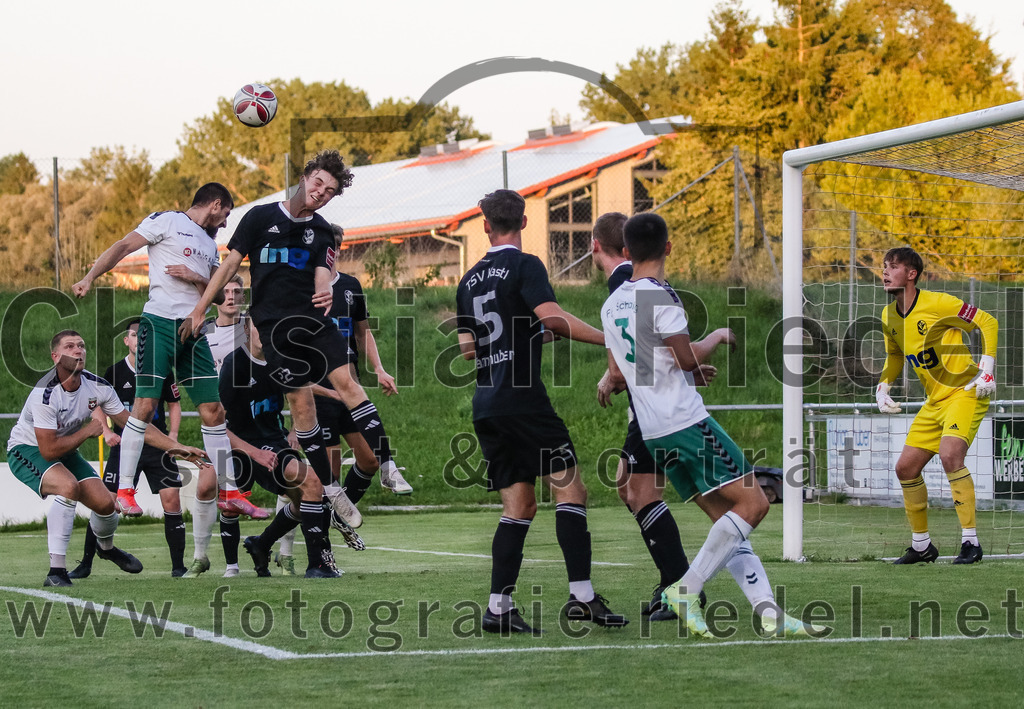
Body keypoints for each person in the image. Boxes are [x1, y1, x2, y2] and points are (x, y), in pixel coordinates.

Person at [602, 213, 817, 638]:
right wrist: (716, 335)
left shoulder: (612, 304)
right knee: (755, 505)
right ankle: (686, 589)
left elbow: (622, 371)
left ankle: (768, 611)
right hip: (686, 422)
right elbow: (686, 358)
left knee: (728, 520)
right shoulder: (661, 296)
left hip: (653, 431)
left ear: (626, 252)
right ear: (668, 248)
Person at [178, 152, 393, 532]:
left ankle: (364, 481)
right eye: (318, 183)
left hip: (318, 342)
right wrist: (200, 307)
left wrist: (325, 288)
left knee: (349, 414)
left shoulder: (323, 234)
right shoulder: (260, 218)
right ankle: (324, 497)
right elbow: (229, 266)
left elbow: (330, 281)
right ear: (305, 176)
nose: (321, 192)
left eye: (330, 191)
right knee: (300, 420)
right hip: (276, 347)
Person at [72, 183, 265, 579]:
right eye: (226, 214)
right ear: (215, 204)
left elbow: (214, 296)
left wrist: (195, 276)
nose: (225, 222)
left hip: (193, 329)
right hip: (158, 324)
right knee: (144, 406)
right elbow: (123, 246)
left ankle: (229, 491)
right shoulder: (166, 221)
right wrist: (90, 276)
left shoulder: (210, 246)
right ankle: (125, 490)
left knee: (213, 410)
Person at [456, 189, 627, 635]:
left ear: (485, 226)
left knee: (520, 505)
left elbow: (469, 349)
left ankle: (498, 607)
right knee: (572, 493)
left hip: (487, 405)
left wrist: (523, 336)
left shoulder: (467, 281)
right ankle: (582, 598)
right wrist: (609, 338)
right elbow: (552, 318)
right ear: (525, 222)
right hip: (523, 402)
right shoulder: (526, 265)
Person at [5, 330, 206, 587]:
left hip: (63, 450)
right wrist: (87, 431)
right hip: (27, 450)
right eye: (70, 346)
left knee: (106, 505)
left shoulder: (97, 386)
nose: (78, 350)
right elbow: (49, 451)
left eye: (81, 345)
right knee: (68, 487)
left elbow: (134, 425)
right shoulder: (45, 393)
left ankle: (106, 548)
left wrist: (176, 447)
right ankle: (56, 571)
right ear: (55, 357)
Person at [591, 211, 699, 620]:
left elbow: (636, 352)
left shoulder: (623, 281)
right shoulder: (641, 282)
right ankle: (673, 580)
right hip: (654, 404)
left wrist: (613, 374)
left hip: (657, 410)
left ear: (596, 246)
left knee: (641, 493)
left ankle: (681, 585)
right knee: (629, 486)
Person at [877, 246, 998, 565]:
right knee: (905, 468)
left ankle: (971, 543)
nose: (885, 271)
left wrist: (987, 368)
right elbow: (895, 356)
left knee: (950, 455)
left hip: (965, 391)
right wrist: (883, 386)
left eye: (893, 266)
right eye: (884, 266)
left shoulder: (939, 303)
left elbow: (987, 321)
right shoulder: (888, 316)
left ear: (911, 274)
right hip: (935, 401)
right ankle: (921, 546)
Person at [219, 315, 356, 579]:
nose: (264, 331)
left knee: (304, 501)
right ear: (246, 330)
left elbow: (299, 388)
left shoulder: (277, 360)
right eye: (258, 326)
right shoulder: (234, 365)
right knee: (313, 483)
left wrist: (330, 394)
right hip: (244, 449)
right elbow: (215, 425)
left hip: (275, 443)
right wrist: (254, 453)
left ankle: (262, 544)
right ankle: (317, 564)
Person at [68, 319, 188, 578]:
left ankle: (179, 568)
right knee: (105, 502)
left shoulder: (160, 369)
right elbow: (95, 403)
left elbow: (174, 404)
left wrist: (173, 438)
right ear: (127, 340)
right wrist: (107, 431)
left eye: (145, 335)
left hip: (157, 446)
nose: (139, 339)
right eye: (135, 335)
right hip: (125, 446)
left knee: (172, 499)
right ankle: (86, 564)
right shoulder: (114, 372)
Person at [316, 224, 410, 536]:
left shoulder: (350, 286)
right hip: (319, 391)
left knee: (369, 460)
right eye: (328, 244)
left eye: (336, 244)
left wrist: (379, 369)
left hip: (350, 388)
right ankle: (316, 544)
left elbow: (362, 332)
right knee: (328, 474)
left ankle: (338, 517)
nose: (332, 250)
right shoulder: (306, 288)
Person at [205, 274, 247, 372]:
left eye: (236, 292)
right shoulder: (204, 332)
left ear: (243, 299)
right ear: (215, 299)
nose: (231, 297)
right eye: (225, 292)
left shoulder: (254, 327)